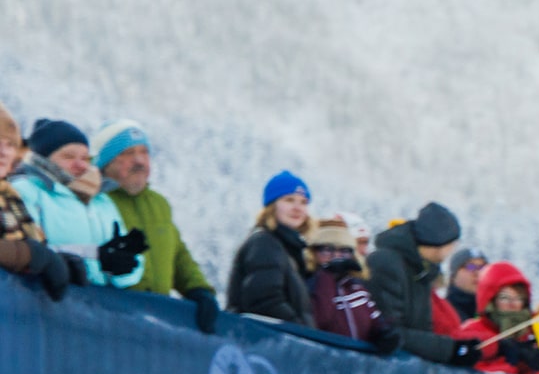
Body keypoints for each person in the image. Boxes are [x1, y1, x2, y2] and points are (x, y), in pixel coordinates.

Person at [94, 121, 220, 332]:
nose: (139, 160)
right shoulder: (96, 202)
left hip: (157, 326)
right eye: (128, 153)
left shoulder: (159, 204)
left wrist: (198, 289)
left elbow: (179, 254)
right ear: (107, 163)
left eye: (144, 152)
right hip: (111, 321)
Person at [12, 120, 142, 289]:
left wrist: (124, 267)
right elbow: (26, 251)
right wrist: (95, 256)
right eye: (69, 157)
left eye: (85, 158)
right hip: (44, 302)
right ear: (43, 159)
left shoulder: (101, 200)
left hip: (97, 307)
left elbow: (132, 275)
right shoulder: (26, 191)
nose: (81, 165)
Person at [367, 202, 476, 364]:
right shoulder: (387, 264)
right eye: (452, 244)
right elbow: (389, 332)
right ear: (440, 242)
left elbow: (421, 329)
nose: (452, 250)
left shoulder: (421, 270)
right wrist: (450, 350)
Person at [0, 106, 73, 301]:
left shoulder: (11, 198)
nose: (3, 152)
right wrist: (29, 255)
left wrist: (60, 261)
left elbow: (35, 249)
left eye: (9, 144)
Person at [226, 172, 317, 325]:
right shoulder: (264, 243)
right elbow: (263, 301)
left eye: (303, 202)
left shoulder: (289, 248)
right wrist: (301, 331)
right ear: (272, 206)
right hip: (262, 344)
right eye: (289, 200)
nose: (297, 208)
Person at [305, 216, 396, 350]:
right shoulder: (309, 285)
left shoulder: (355, 287)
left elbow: (374, 320)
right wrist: (327, 275)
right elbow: (321, 320)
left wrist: (383, 334)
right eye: (326, 250)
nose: (336, 256)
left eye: (344, 251)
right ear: (313, 253)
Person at [455, 261, 539, 374]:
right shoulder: (472, 333)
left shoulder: (536, 330)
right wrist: (510, 361)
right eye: (504, 298)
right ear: (490, 301)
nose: (513, 304)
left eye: (519, 298)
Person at [442, 249, 488, 326]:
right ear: (453, 276)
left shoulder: (494, 312)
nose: (477, 273)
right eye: (470, 267)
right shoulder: (442, 312)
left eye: (482, 268)